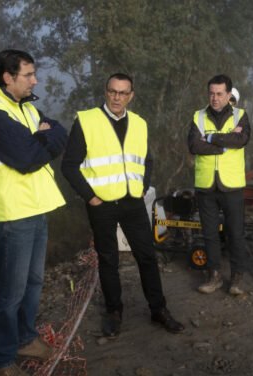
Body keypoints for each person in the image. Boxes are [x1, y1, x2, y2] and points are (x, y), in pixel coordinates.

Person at [61, 73, 184, 339]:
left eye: (123, 93)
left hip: (132, 202)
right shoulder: (86, 120)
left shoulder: (139, 123)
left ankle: (158, 309)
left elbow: (146, 160)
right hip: (101, 204)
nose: (117, 97)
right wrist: (90, 197)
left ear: (131, 95)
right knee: (108, 260)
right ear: (106, 92)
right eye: (112, 91)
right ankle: (114, 312)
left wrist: (141, 187)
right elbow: (69, 165)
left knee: (147, 257)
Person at [0, 49, 67, 375]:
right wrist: (43, 137)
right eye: (28, 75)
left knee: (33, 281)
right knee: (9, 291)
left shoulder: (25, 106)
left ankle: (25, 338)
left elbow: (60, 131)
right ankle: (1, 361)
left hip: (36, 207)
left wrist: (44, 134)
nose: (35, 80)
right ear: (7, 78)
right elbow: (27, 158)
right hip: (12, 214)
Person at [187, 74, 251, 295]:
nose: (214, 98)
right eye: (211, 93)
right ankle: (213, 276)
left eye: (219, 94)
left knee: (236, 232)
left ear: (229, 94)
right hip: (206, 185)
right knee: (209, 233)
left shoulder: (240, 116)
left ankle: (237, 278)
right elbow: (194, 145)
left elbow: (241, 140)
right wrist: (225, 143)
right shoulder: (198, 116)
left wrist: (211, 139)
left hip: (231, 185)